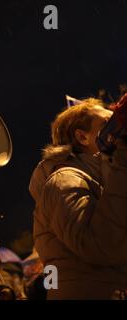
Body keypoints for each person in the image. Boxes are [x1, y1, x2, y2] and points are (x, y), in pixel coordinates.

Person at [29, 98, 127, 299]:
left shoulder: (104, 181)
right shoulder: (64, 180)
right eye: (107, 124)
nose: (116, 127)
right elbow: (101, 245)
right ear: (82, 137)